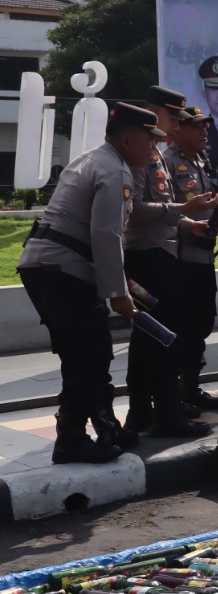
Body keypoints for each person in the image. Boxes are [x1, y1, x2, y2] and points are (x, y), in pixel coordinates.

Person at [18, 103, 166, 463]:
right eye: (150, 140)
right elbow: (105, 234)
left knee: (82, 352)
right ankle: (70, 439)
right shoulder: (116, 172)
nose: (154, 149)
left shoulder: (94, 159)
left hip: (46, 266)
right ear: (129, 139)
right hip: (63, 271)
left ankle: (106, 428)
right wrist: (117, 294)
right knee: (90, 354)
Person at [123, 86, 215, 437]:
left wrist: (192, 222)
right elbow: (136, 211)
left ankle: (157, 409)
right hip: (145, 258)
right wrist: (185, 209)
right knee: (153, 337)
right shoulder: (143, 155)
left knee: (161, 337)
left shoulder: (156, 154)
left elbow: (163, 212)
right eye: (173, 118)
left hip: (164, 255)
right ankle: (156, 412)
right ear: (154, 113)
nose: (177, 126)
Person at [163, 102, 218, 412]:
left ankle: (192, 386)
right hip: (180, 258)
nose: (204, 131)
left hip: (203, 257)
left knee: (203, 322)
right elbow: (162, 212)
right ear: (179, 129)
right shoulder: (168, 161)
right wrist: (191, 226)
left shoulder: (201, 160)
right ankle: (174, 394)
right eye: (196, 126)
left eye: (205, 126)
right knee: (184, 326)